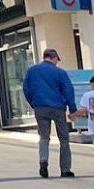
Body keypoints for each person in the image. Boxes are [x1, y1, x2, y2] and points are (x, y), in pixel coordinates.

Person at [23, 48, 78, 178]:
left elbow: (26, 89)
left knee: (44, 137)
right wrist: (72, 108)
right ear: (54, 58)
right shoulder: (60, 72)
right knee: (64, 139)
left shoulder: (32, 70)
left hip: (40, 107)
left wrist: (34, 103)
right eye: (56, 60)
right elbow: (68, 91)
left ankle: (43, 161)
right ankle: (65, 170)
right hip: (58, 108)